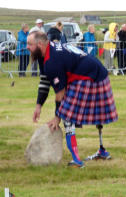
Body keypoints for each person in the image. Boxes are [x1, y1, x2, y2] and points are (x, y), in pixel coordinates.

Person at [27, 31, 118, 168]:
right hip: (93, 71)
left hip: (91, 75)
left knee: (66, 114)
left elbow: (60, 93)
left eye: (29, 44)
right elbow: (45, 80)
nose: (27, 47)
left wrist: (58, 116)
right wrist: (38, 105)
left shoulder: (52, 61)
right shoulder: (44, 53)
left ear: (40, 44)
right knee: (77, 112)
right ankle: (101, 151)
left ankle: (77, 160)